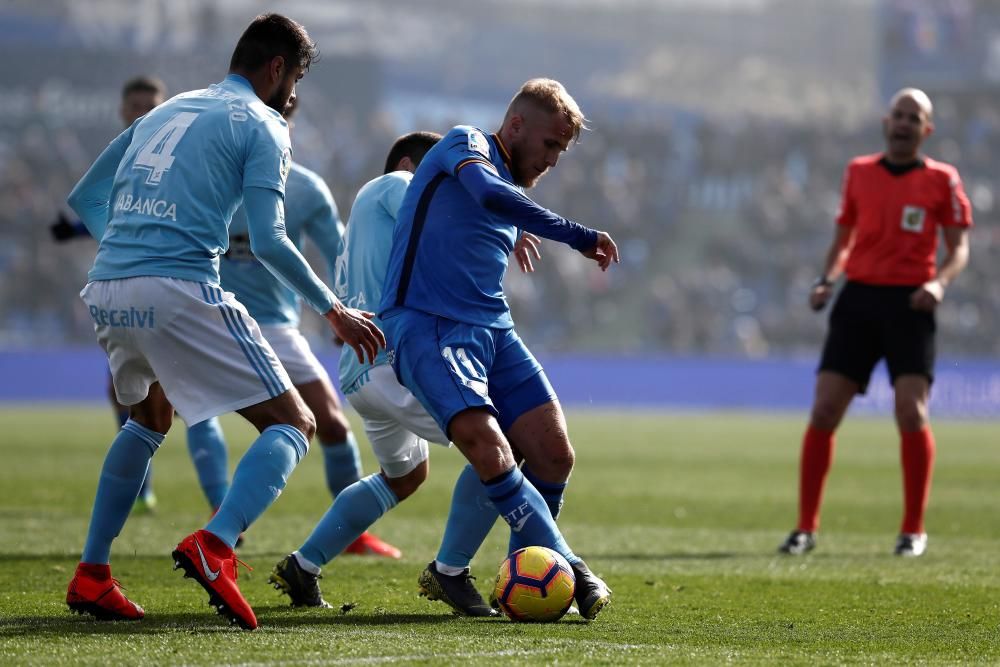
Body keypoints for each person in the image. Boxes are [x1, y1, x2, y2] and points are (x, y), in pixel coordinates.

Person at [63, 13, 384, 631]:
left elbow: (86, 198)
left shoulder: (166, 109)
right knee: (294, 422)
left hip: (107, 287)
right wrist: (333, 310)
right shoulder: (264, 122)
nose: (293, 96)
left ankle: (92, 574)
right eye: (294, 81)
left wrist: (128, 253)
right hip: (179, 284)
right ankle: (217, 543)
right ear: (274, 70)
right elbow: (269, 240)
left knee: (149, 418)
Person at [267, 132, 544, 615]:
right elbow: (448, 222)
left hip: (363, 369)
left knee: (406, 475)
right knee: (504, 442)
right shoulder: (398, 184)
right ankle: (451, 572)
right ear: (410, 164)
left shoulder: (370, 217)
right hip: (395, 362)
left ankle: (303, 565)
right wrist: (514, 224)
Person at [378, 78, 618, 620]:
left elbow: (489, 206)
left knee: (554, 453)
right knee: (490, 449)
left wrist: (516, 227)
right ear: (514, 126)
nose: (554, 159)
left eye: (561, 150)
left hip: (494, 329)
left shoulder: (508, 187)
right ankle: (571, 567)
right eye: (551, 144)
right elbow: (486, 193)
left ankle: (519, 582)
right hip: (429, 324)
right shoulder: (467, 143)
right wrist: (576, 234)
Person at [186, 97, 400, 559]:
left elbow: (342, 253)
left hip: (275, 328)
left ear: (286, 126)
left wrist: (346, 310)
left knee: (332, 424)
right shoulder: (208, 182)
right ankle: (220, 517)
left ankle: (351, 535)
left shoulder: (304, 189)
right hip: (209, 316)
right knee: (180, 413)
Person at [778, 88, 972, 558]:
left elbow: (959, 249)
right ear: (887, 122)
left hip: (912, 304)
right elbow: (844, 240)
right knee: (824, 411)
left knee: (911, 411)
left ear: (927, 130)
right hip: (858, 300)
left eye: (915, 118)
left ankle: (912, 529)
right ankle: (805, 528)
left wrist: (940, 284)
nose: (905, 123)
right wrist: (828, 280)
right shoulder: (859, 172)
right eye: (899, 115)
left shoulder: (942, 180)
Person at [51, 75, 168, 514]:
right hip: (127, 285)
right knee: (125, 388)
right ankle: (144, 485)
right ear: (122, 111)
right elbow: (111, 210)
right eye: (135, 105)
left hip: (174, 283)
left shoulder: (171, 160)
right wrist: (79, 229)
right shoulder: (119, 158)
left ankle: (217, 504)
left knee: (165, 389)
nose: (142, 114)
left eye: (150, 106)